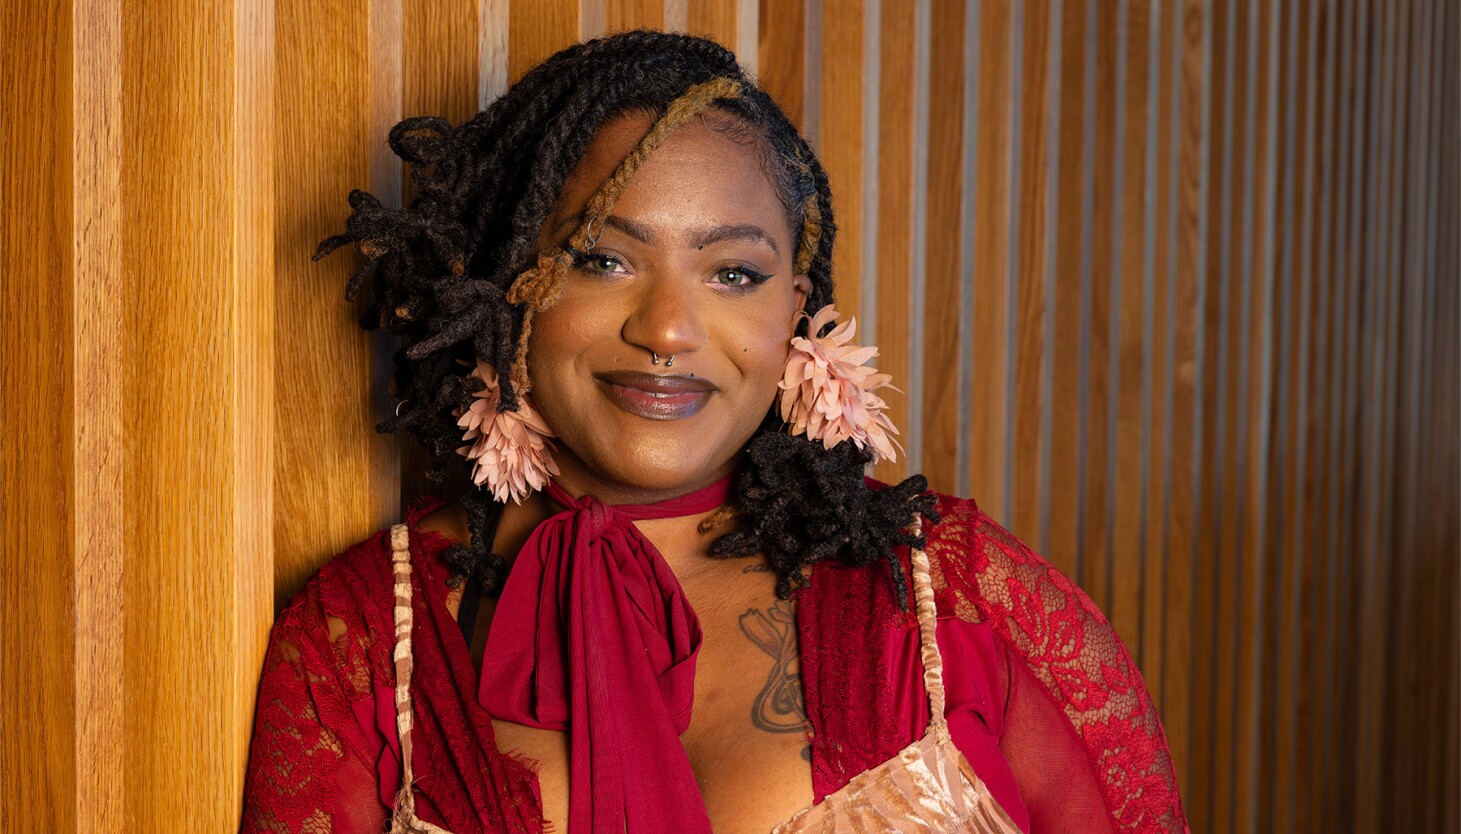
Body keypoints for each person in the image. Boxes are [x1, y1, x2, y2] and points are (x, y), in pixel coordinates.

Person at [241, 30, 1188, 834]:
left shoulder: (964, 599)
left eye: (733, 273)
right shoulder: (365, 640)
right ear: (505, 289)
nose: (667, 330)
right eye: (602, 259)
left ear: (794, 312)